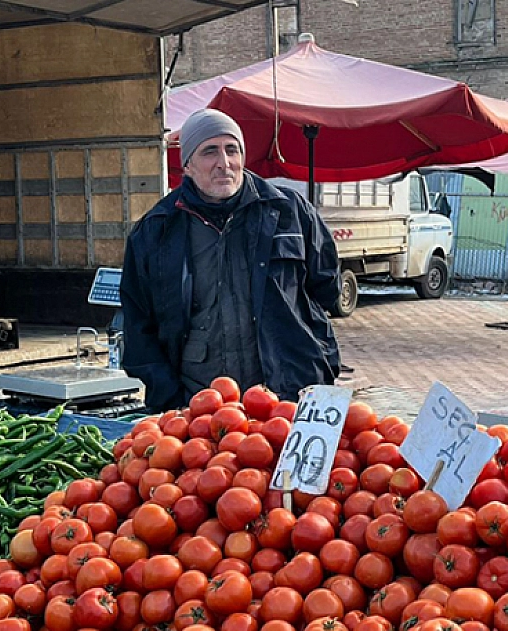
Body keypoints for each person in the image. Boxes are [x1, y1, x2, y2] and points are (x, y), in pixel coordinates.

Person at [119, 108, 342, 411]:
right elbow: (138, 324)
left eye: (232, 150)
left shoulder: (290, 213)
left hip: (291, 394)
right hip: (198, 403)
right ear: (187, 165)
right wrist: (167, 396)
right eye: (210, 151)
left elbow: (326, 290)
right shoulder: (155, 231)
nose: (224, 164)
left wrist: (323, 363)